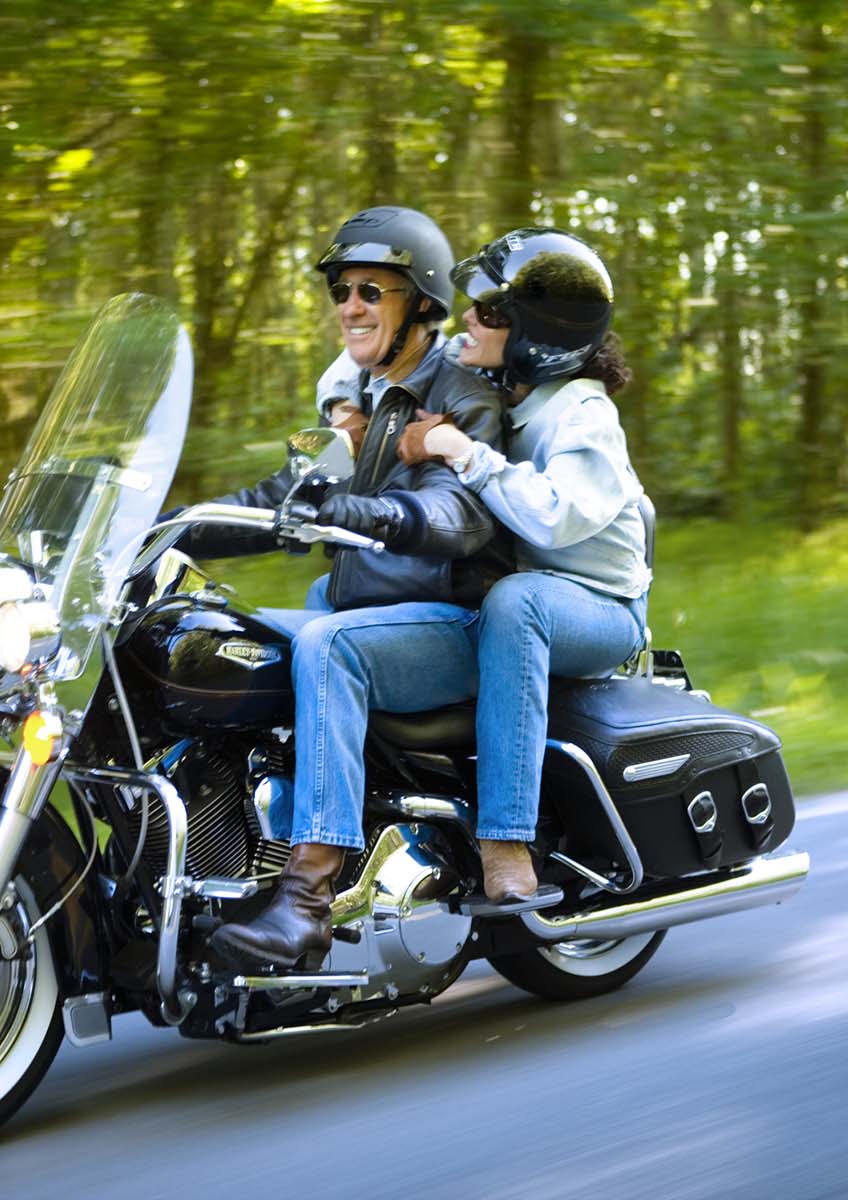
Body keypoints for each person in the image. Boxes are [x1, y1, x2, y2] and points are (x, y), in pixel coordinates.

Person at [178, 206, 510, 968]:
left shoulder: (463, 402)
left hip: (448, 624)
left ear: (421, 304)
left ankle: (306, 900)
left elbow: (455, 517)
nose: (351, 306)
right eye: (342, 291)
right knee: (208, 637)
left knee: (325, 646)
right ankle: (207, 868)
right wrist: (160, 527)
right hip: (368, 615)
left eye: (372, 291)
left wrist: (353, 507)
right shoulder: (355, 405)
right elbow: (285, 496)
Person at [403, 227, 651, 903]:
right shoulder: (494, 378)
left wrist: (461, 449)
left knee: (517, 602)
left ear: (536, 335)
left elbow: (552, 516)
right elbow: (391, 363)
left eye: (490, 312)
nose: (469, 320)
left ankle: (505, 839)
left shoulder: (583, 413)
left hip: (600, 607)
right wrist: (343, 411)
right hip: (530, 593)